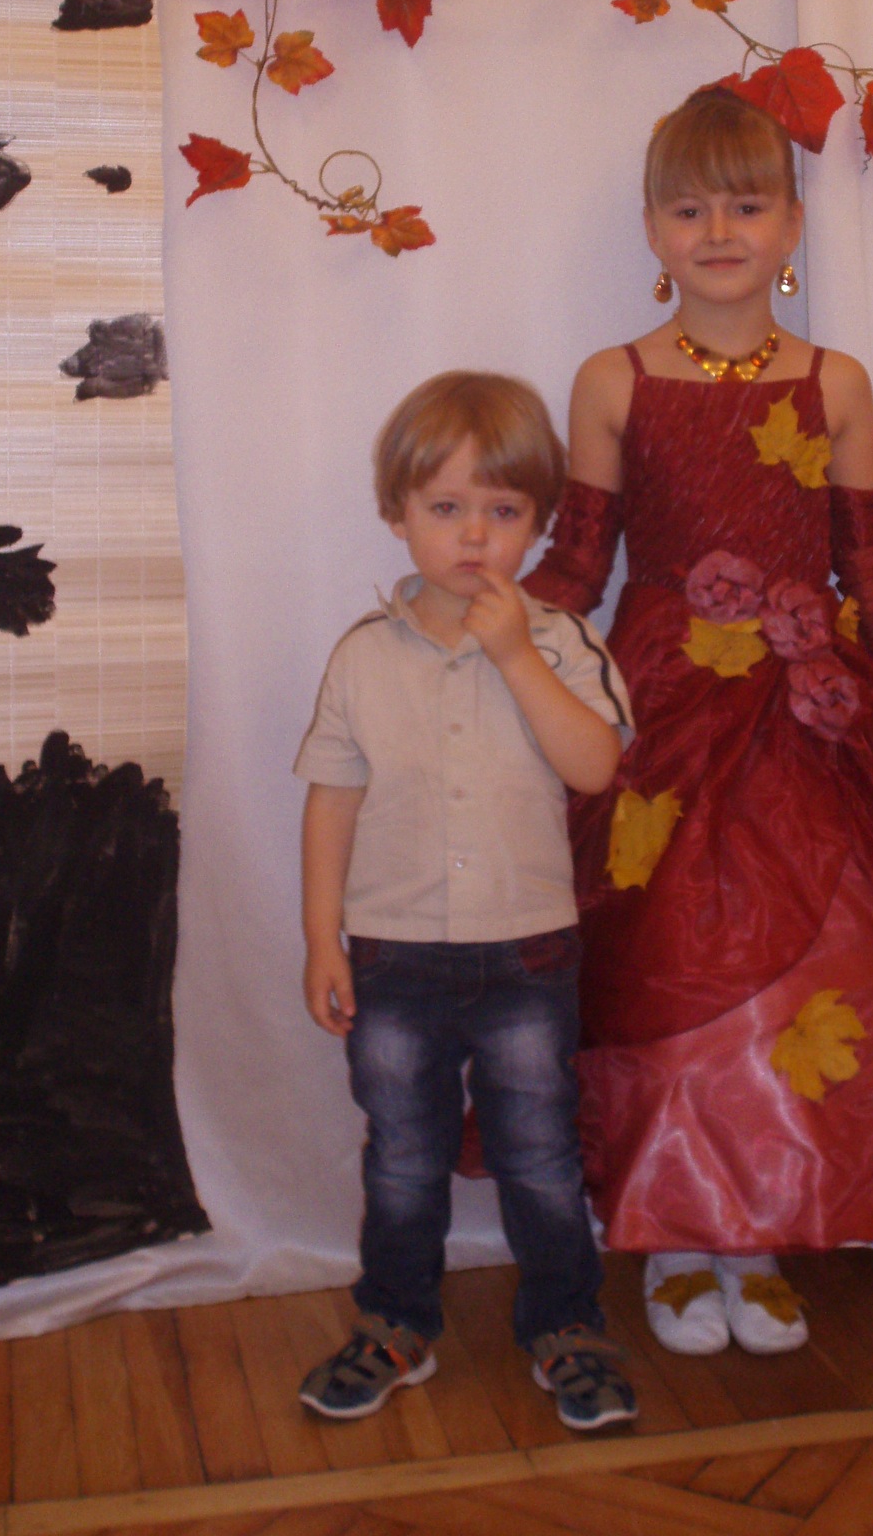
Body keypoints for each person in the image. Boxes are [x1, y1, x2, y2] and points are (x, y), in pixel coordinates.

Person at [523, 88, 873, 1359]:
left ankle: (761, 1235)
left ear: (793, 225)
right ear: (652, 229)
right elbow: (576, 564)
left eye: (746, 205)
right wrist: (478, 648)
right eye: (690, 209)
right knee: (669, 961)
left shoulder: (836, 380)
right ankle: (678, 1236)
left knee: (816, 969)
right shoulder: (613, 380)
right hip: (660, 715)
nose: (720, 231)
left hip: (807, 714)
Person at [294, 371, 640, 1430]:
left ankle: (566, 1326)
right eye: (446, 506)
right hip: (392, 953)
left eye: (504, 509)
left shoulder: (564, 641)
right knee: (402, 1156)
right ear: (396, 511)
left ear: (539, 521)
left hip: (527, 955)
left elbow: (594, 766)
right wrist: (320, 939)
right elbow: (331, 802)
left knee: (540, 1154)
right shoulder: (361, 656)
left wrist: (515, 652)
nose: (476, 535)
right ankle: (395, 1322)